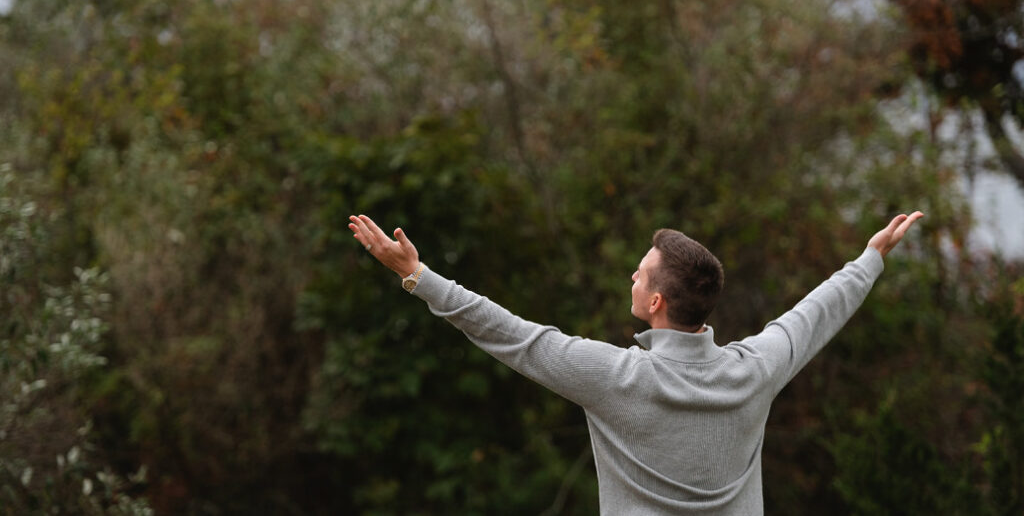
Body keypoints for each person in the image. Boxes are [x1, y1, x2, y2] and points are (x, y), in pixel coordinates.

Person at [348, 212, 924, 515]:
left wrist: (418, 277)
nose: (632, 273)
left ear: (655, 302)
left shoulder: (616, 377)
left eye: (641, 271)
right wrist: (869, 261)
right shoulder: (754, 373)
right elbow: (811, 317)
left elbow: (511, 335)